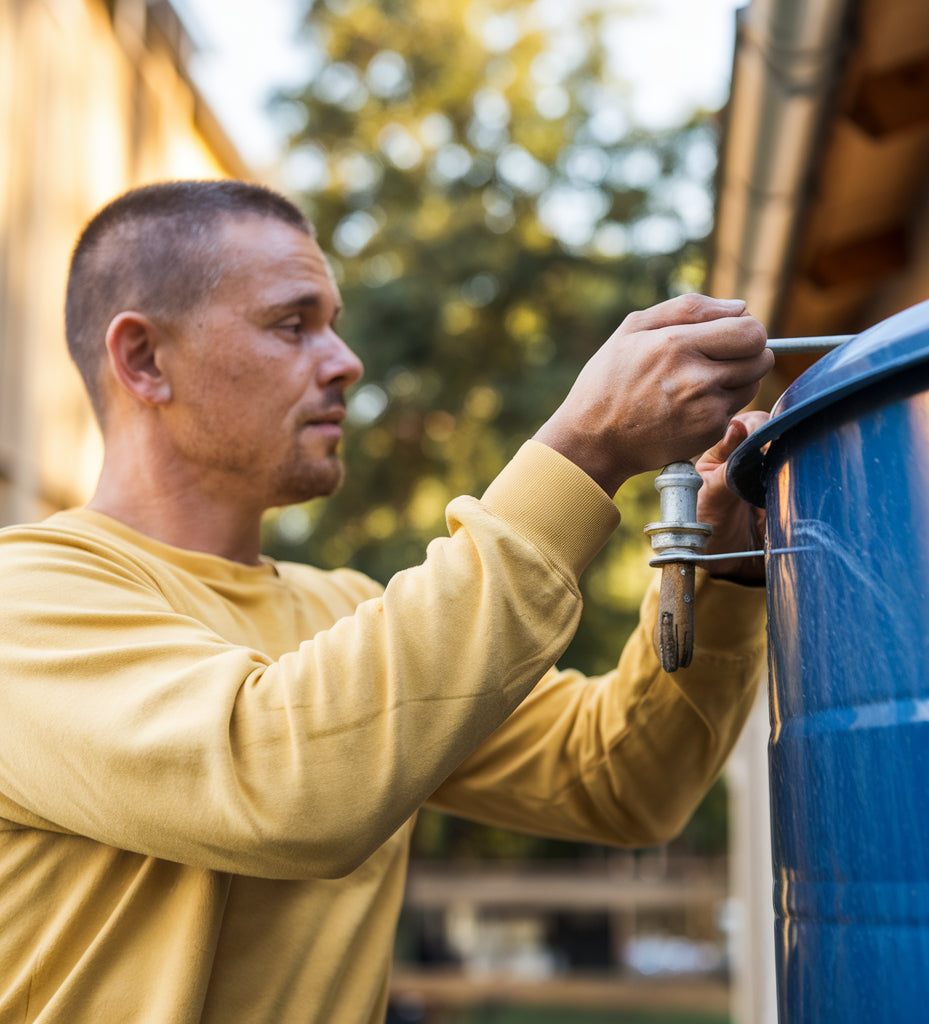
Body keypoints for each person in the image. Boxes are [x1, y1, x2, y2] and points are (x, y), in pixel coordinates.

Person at [0, 179, 772, 1024]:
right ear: (144, 360)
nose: (344, 360)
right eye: (292, 325)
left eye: (332, 323)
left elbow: (620, 780)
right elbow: (284, 786)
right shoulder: (26, 601)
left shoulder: (344, 614)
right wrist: (582, 451)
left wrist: (717, 565)